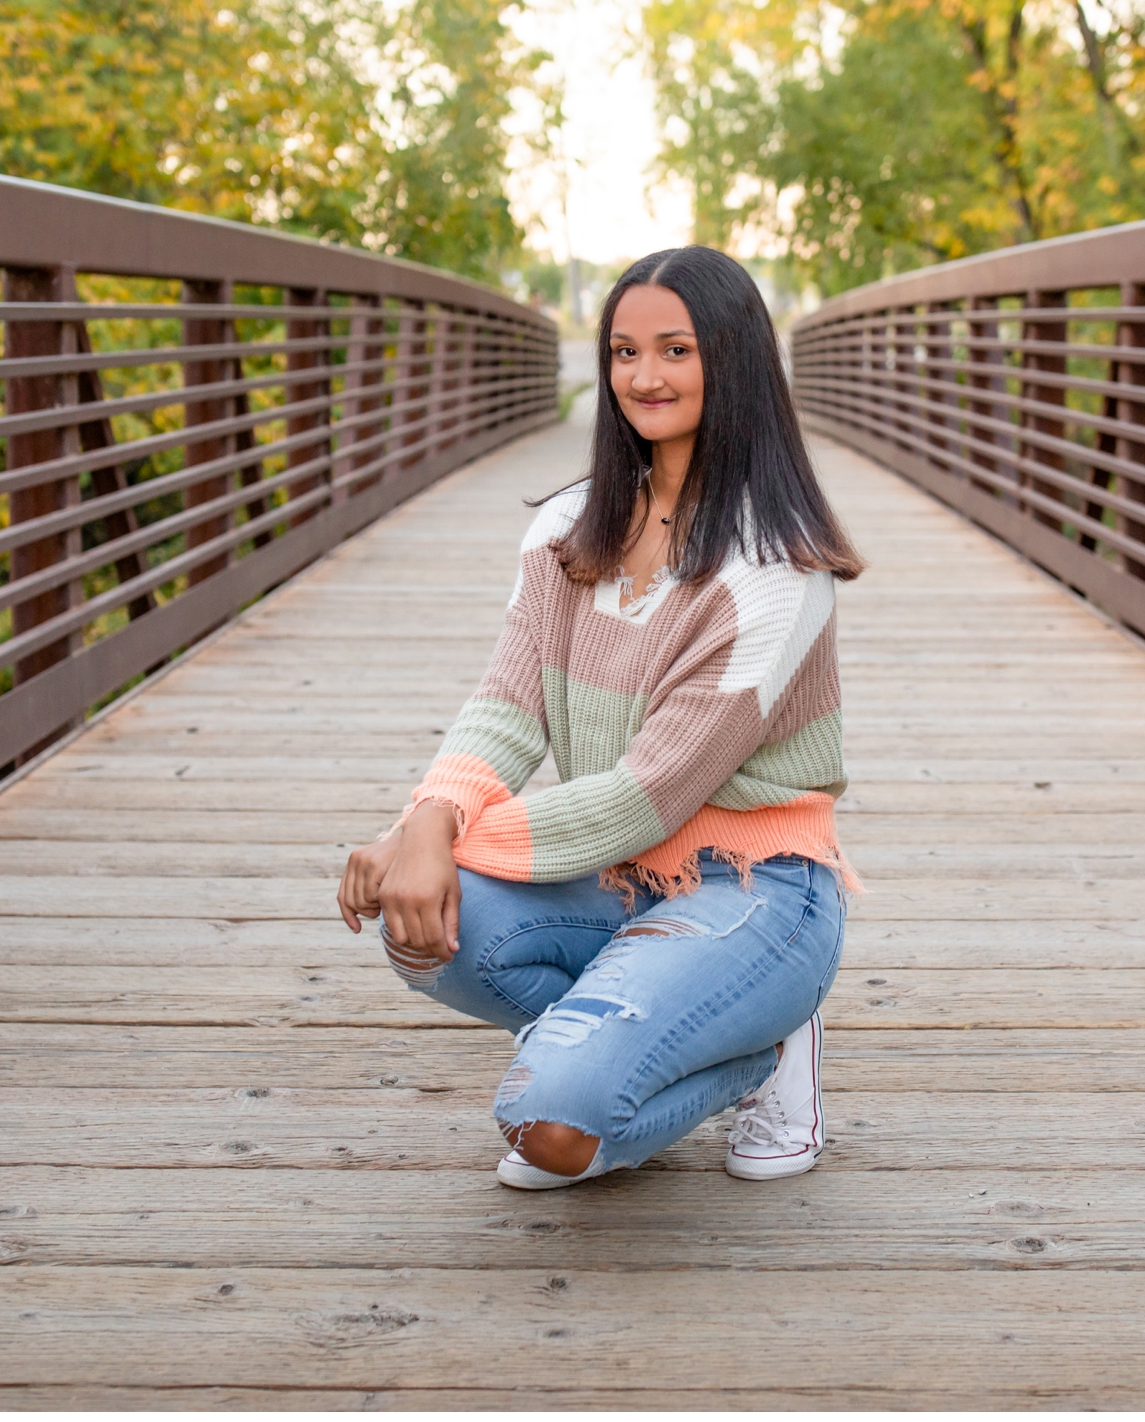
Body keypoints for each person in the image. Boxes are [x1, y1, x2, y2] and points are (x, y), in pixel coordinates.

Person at [337, 245, 864, 1189]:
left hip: (756, 889)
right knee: (423, 927)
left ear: (733, 357)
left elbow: (643, 796)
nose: (643, 376)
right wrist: (423, 819)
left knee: (551, 1128)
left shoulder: (776, 567)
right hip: (619, 880)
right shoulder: (569, 527)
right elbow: (507, 708)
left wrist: (439, 838)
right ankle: (651, 1018)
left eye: (675, 349)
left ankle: (762, 1046)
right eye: (624, 351)